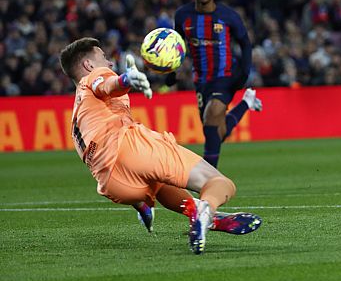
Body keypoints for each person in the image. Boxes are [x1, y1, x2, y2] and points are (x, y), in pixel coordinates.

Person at [60, 38, 261, 254]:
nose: (109, 63)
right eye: (104, 57)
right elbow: (105, 84)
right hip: (128, 147)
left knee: (160, 183)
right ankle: (207, 210)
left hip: (114, 185)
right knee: (219, 182)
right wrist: (126, 79)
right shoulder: (93, 77)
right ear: (89, 65)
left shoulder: (77, 119)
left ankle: (196, 211)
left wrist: (142, 207)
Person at [171, 0, 263, 168]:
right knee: (214, 131)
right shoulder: (183, 15)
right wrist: (171, 72)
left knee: (212, 115)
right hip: (201, 79)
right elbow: (176, 45)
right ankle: (247, 103)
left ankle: (209, 176)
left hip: (226, 76)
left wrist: (244, 73)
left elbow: (245, 43)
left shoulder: (228, 16)